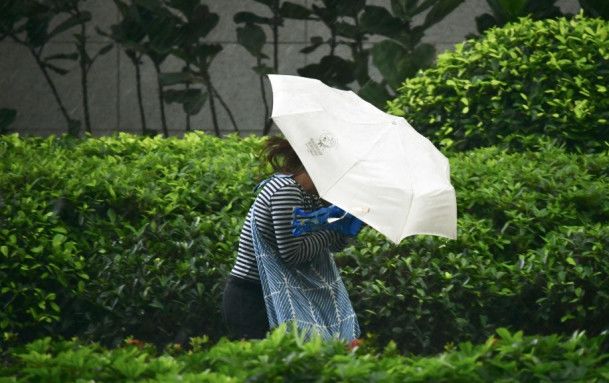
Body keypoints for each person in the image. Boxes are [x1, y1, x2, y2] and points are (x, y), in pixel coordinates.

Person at [221, 136, 363, 340]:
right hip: (253, 299)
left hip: (281, 297)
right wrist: (334, 229)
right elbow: (293, 254)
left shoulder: (312, 196)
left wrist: (352, 219)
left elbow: (334, 245)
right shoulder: (285, 190)